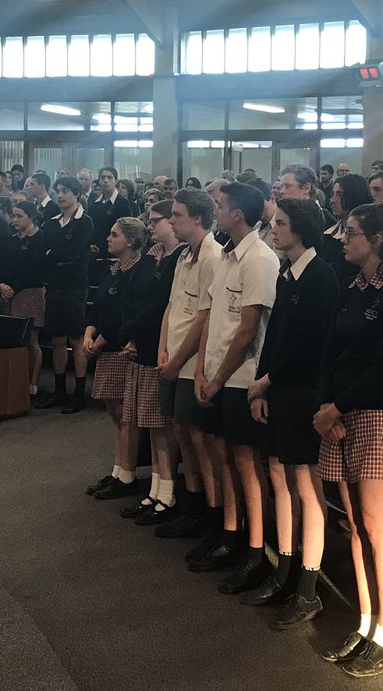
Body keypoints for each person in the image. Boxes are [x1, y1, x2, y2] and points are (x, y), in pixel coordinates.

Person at [313, 199, 383, 676]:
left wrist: (338, 406)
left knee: (381, 529)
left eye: (351, 232)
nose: (343, 238)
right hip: (339, 416)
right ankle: (365, 621)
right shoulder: (351, 288)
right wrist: (325, 406)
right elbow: (329, 353)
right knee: (354, 526)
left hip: (378, 416)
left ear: (375, 241)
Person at [247, 198, 338, 625]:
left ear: (300, 228)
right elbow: (275, 336)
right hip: (281, 389)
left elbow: (308, 346)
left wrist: (266, 380)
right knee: (279, 478)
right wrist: (262, 384)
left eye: (281, 224)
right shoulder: (289, 275)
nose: (275, 228)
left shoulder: (320, 277)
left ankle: (308, 586)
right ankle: (283, 567)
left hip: (304, 392)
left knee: (306, 485)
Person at [189, 181, 281, 593]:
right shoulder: (227, 253)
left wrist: (219, 377)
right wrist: (200, 371)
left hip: (241, 378)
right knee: (221, 454)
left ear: (237, 214)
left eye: (220, 206)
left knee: (245, 461)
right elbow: (211, 318)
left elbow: (247, 330)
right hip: (216, 373)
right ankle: (230, 532)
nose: (216, 212)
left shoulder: (259, 258)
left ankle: (256, 549)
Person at [156, 188, 224, 545]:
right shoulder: (184, 255)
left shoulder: (213, 256)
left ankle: (211, 517)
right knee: (180, 433)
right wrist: (162, 350)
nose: (171, 221)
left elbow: (205, 317)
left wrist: (179, 358)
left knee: (199, 441)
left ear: (198, 218)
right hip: (174, 358)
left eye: (177, 215)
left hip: (193, 360)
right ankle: (192, 507)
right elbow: (171, 307)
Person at [121, 201, 184, 525]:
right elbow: (137, 294)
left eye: (157, 221)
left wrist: (127, 330)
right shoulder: (153, 257)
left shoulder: (177, 258)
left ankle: (167, 492)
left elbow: (163, 304)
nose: (151, 226)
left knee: (162, 426)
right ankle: (157, 491)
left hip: (162, 345)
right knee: (151, 423)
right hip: (145, 343)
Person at [85, 217, 153, 500]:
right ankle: (117, 468)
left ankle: (127, 474)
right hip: (104, 346)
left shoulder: (137, 271)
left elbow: (121, 317)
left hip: (119, 348)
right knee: (115, 414)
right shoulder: (113, 269)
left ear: (131, 241)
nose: (108, 239)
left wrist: (99, 342)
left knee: (126, 415)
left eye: (114, 235)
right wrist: (89, 333)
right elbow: (99, 309)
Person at [38, 176, 94, 412]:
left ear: (76, 194)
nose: (60, 195)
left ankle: (79, 393)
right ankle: (59, 390)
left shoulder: (85, 222)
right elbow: (43, 254)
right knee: (57, 340)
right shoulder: (50, 223)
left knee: (76, 339)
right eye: (58, 191)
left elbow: (71, 253)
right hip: (54, 286)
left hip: (75, 286)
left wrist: (55, 254)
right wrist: (55, 256)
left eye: (65, 191)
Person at [0, 200, 48, 399]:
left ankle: (32, 383)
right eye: (13, 215)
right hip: (9, 292)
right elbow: (2, 265)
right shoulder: (11, 239)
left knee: (31, 340)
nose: (14, 220)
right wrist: (1, 284)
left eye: (19, 216)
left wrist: (13, 287)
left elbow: (36, 270)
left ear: (31, 217)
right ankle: (16, 380)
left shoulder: (40, 238)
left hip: (30, 292)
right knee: (13, 340)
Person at [321, 173, 368, 288]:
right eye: (333, 194)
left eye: (340, 195)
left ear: (355, 196)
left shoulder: (365, 237)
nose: (332, 200)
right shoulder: (327, 234)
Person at [89, 166, 134, 260]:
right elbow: (91, 227)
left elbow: (126, 230)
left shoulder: (122, 203)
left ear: (116, 181)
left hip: (115, 256)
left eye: (109, 177)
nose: (105, 180)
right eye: (102, 177)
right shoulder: (94, 203)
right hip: (95, 254)